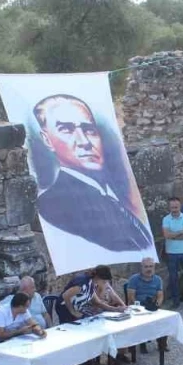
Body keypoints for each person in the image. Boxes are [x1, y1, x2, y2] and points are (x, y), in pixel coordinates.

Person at [31, 94, 154, 256]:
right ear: (47, 140)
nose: (84, 142)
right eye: (66, 129)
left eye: (89, 130)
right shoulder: (51, 205)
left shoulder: (113, 196)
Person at [125, 257, 168, 355]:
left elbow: (160, 296)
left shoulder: (158, 279)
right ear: (141, 267)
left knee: (165, 319)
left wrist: (157, 305)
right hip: (138, 307)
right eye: (146, 267)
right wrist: (141, 307)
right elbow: (131, 297)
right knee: (142, 320)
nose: (149, 269)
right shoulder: (134, 279)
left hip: (151, 305)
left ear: (154, 267)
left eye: (151, 266)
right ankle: (142, 343)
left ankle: (162, 344)